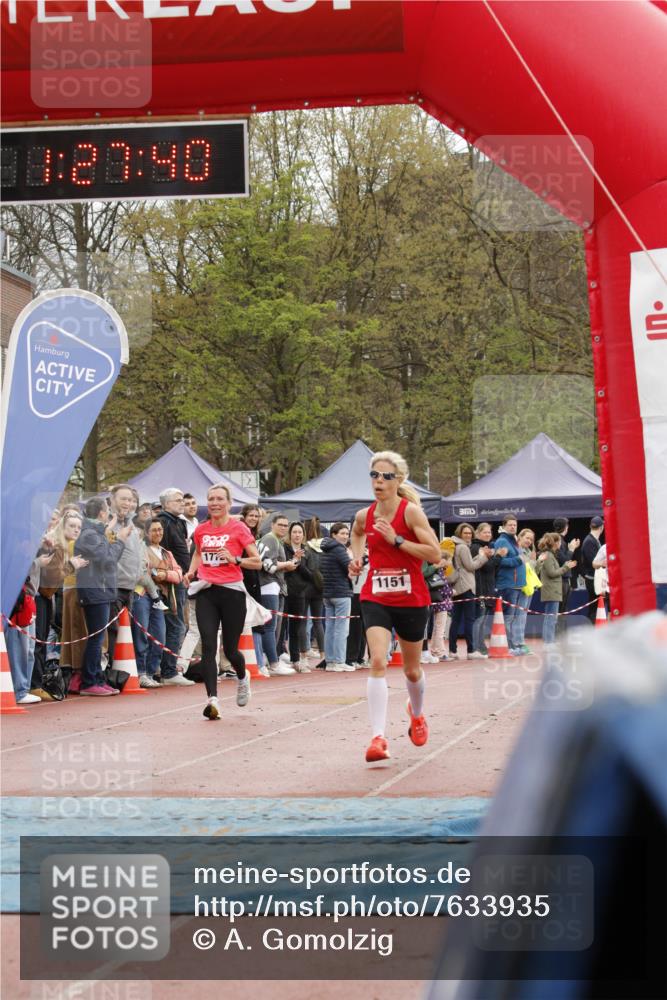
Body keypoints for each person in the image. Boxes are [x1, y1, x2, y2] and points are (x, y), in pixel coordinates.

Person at [350, 450, 441, 763]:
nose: (379, 481)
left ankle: (417, 715)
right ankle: (378, 738)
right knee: (377, 660)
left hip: (412, 598)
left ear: (398, 480)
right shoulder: (366, 515)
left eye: (386, 476)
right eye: (374, 475)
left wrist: (397, 541)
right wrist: (357, 558)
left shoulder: (411, 513)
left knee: (412, 670)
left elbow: (434, 555)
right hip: (375, 596)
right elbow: (357, 531)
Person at [184, 484, 262, 721]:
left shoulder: (238, 528)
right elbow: (198, 553)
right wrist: (190, 572)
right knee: (209, 645)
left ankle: (242, 676)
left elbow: (257, 561)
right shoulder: (201, 530)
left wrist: (235, 559)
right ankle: (212, 700)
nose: (215, 503)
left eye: (219, 499)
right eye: (211, 499)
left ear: (228, 503)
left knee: (230, 649)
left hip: (232, 593)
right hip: (207, 591)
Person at [74, 497, 131, 696]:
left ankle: (96, 678)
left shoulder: (94, 532)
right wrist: (121, 541)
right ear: (101, 513)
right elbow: (108, 558)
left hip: (101, 590)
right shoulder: (89, 534)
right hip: (95, 590)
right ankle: (89, 681)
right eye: (107, 510)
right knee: (96, 638)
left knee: (99, 638)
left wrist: (111, 528)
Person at [133, 519, 184, 688]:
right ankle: (140, 673)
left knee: (159, 636)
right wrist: (160, 575)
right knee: (142, 634)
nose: (158, 533)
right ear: (147, 533)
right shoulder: (141, 549)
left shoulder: (166, 553)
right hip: (142, 594)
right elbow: (142, 572)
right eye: (154, 530)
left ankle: (151, 671)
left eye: (160, 529)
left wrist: (165, 575)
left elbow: (179, 574)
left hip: (160, 598)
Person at [105, 483, 144, 668]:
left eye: (130, 500)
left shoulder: (132, 525)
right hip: (113, 585)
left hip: (130, 586)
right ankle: (112, 673)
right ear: (112, 500)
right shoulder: (108, 524)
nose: (127, 503)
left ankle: (123, 672)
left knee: (125, 633)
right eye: (123, 499)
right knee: (112, 632)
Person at [257, 513, 297, 676]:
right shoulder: (270, 539)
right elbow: (268, 565)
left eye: (285, 525)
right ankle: (273, 662)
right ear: (272, 524)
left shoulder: (275, 540)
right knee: (270, 627)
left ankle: (270, 659)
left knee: (274, 627)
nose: (284, 528)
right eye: (280, 524)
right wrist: (286, 564)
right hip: (269, 586)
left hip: (274, 586)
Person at [157, 488, 190, 682]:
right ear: (166, 504)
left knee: (179, 625)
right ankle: (168, 670)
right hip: (171, 581)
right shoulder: (164, 522)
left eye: (182, 500)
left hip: (181, 578)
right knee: (175, 624)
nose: (182, 503)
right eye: (178, 500)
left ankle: (169, 667)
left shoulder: (179, 522)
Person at [448, 523, 491, 659]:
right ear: (459, 533)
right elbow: (471, 566)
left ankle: (452, 651)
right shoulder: (463, 547)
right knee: (469, 620)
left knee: (455, 620)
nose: (468, 535)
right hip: (467, 586)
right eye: (465, 533)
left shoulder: (455, 545)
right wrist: (484, 557)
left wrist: (479, 556)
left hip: (457, 586)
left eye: (469, 533)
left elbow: (465, 564)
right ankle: (471, 651)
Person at [321, 522, 353, 672]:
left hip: (327, 593)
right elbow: (351, 567)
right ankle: (339, 661)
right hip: (341, 593)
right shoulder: (339, 549)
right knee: (341, 629)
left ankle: (330, 661)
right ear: (334, 535)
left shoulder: (325, 549)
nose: (345, 536)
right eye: (342, 533)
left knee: (330, 628)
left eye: (347, 534)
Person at [492, 516, 527, 655]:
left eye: (515, 525)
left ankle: (512, 645)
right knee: (507, 617)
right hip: (507, 584)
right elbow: (501, 562)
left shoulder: (514, 541)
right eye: (510, 525)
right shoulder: (502, 541)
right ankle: (508, 646)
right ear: (504, 526)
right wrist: (518, 560)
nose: (513, 527)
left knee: (512, 617)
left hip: (517, 585)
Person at [536, 532, 577, 647]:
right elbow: (552, 573)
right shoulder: (549, 556)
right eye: (559, 541)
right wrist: (566, 567)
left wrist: (564, 567)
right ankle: (549, 641)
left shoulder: (550, 555)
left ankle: (548, 640)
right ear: (555, 543)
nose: (560, 544)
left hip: (552, 590)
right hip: (551, 590)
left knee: (550, 617)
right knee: (551, 618)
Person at [470, 523, 504, 658]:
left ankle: (481, 645)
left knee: (483, 620)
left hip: (488, 588)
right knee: (479, 619)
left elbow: (492, 568)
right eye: (485, 532)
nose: (488, 535)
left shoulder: (488, 547)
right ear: (477, 533)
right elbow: (486, 567)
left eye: (489, 532)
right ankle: (476, 647)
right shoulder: (476, 547)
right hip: (480, 589)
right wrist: (498, 557)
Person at [283, 521, 314, 672]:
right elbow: (283, 570)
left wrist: (299, 562)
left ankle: (296, 659)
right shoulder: (284, 549)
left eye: (299, 532)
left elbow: (311, 575)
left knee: (296, 628)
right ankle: (278, 656)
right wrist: (293, 560)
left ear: (303, 535)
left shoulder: (307, 551)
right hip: (284, 592)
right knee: (281, 627)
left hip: (300, 594)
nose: (297, 535)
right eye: (294, 532)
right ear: (290, 534)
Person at [553, 517, 580, 631]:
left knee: (562, 608)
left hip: (563, 579)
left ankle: (561, 632)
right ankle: (560, 634)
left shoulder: (559, 540)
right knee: (561, 609)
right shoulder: (559, 540)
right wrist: (572, 549)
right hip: (561, 580)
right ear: (565, 527)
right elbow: (564, 561)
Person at [303, 517, 325, 658]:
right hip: (319, 587)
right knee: (318, 621)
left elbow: (303, 567)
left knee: (304, 620)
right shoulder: (324, 547)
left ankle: (305, 649)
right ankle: (323, 653)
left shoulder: (305, 547)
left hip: (305, 587)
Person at [514, 527, 537, 654]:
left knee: (523, 615)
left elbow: (533, 570)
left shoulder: (528, 551)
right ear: (520, 537)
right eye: (527, 538)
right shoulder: (518, 550)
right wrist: (534, 561)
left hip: (529, 586)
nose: (529, 541)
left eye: (531, 539)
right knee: (519, 616)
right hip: (520, 586)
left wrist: (536, 561)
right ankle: (518, 643)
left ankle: (520, 642)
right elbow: (526, 566)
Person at [580, 516, 604, 621]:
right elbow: (593, 562)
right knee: (594, 607)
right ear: (601, 527)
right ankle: (593, 627)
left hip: (595, 577)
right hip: (592, 578)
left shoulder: (593, 540)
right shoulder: (590, 541)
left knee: (597, 606)